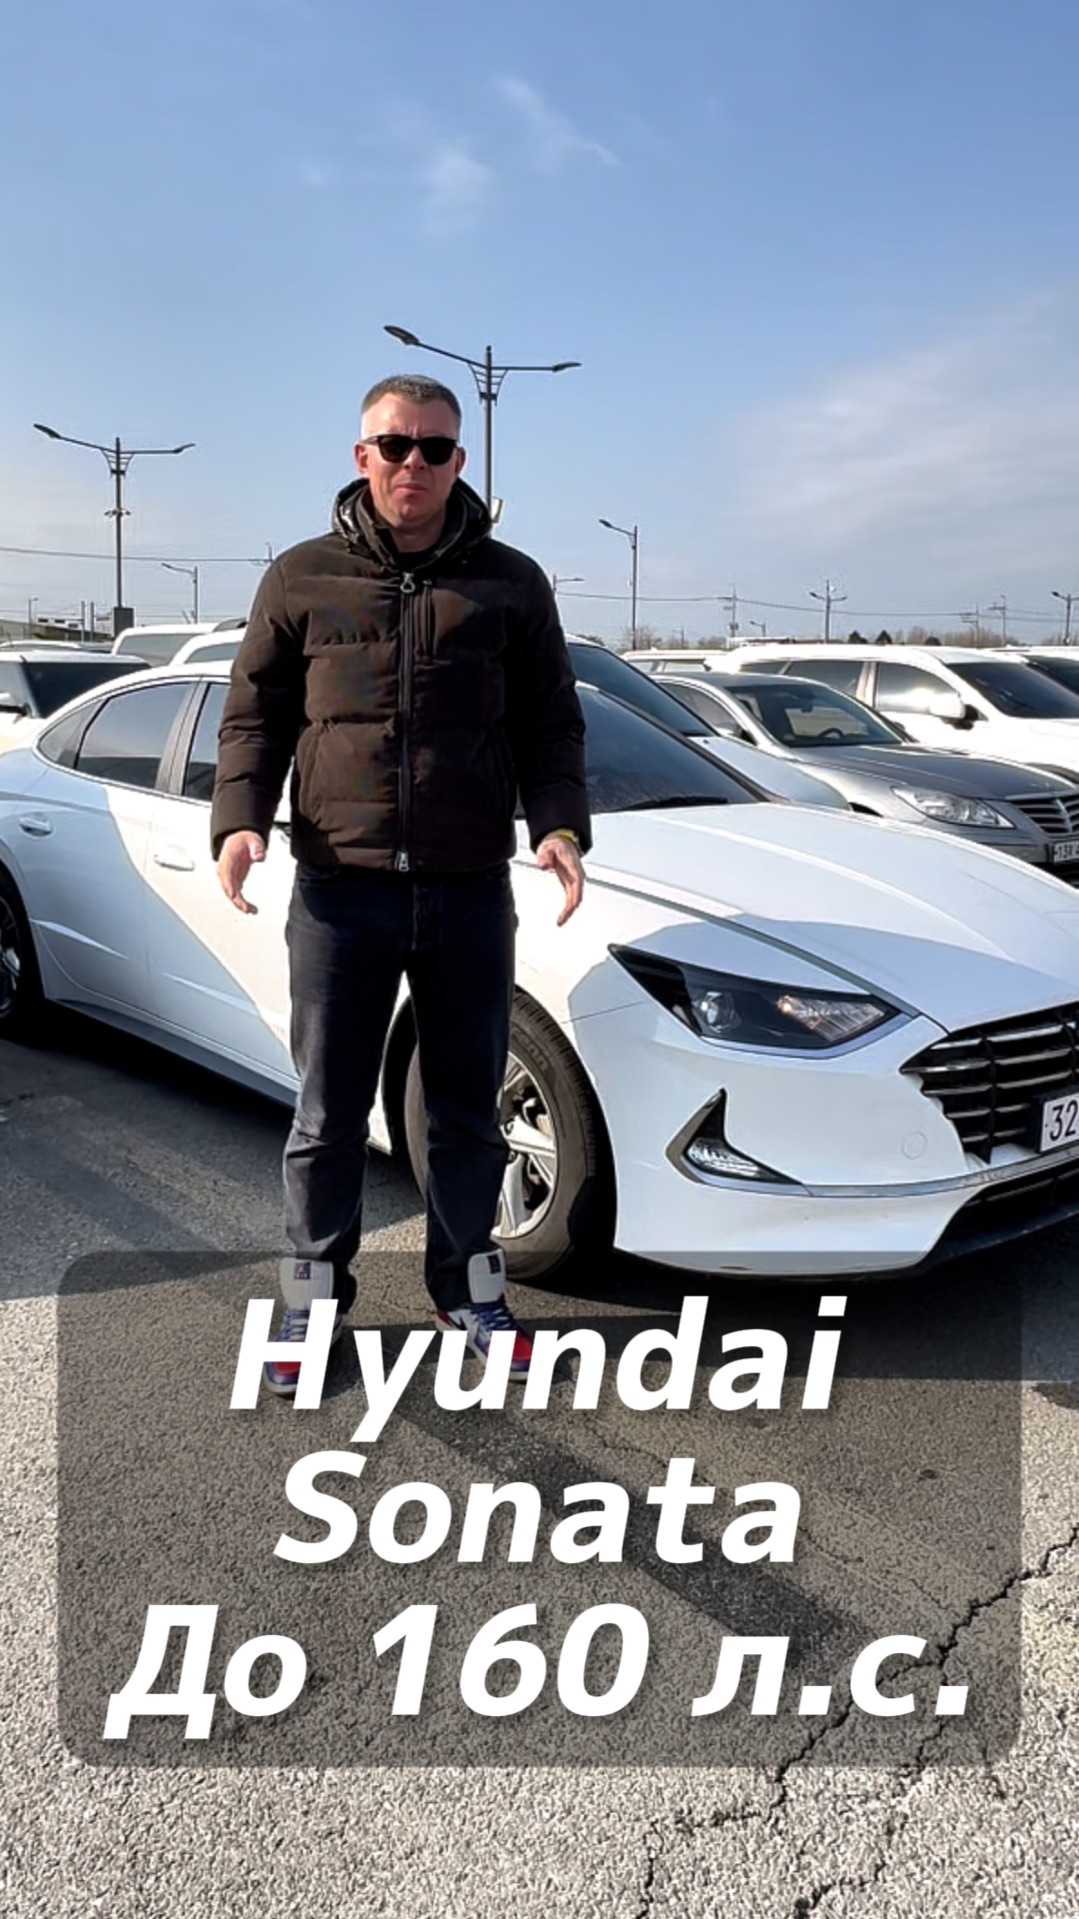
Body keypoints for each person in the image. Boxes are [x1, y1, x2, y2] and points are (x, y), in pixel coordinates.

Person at [210, 373, 590, 1394]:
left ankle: (468, 1289)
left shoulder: (512, 582)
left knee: (465, 1113)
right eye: (394, 444)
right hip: (341, 890)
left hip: (467, 889)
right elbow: (254, 717)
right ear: (360, 454)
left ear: (459, 461)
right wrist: (239, 819)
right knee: (327, 1114)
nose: (412, 462)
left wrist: (557, 824)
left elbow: (550, 724)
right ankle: (311, 1300)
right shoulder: (300, 577)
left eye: (433, 447)